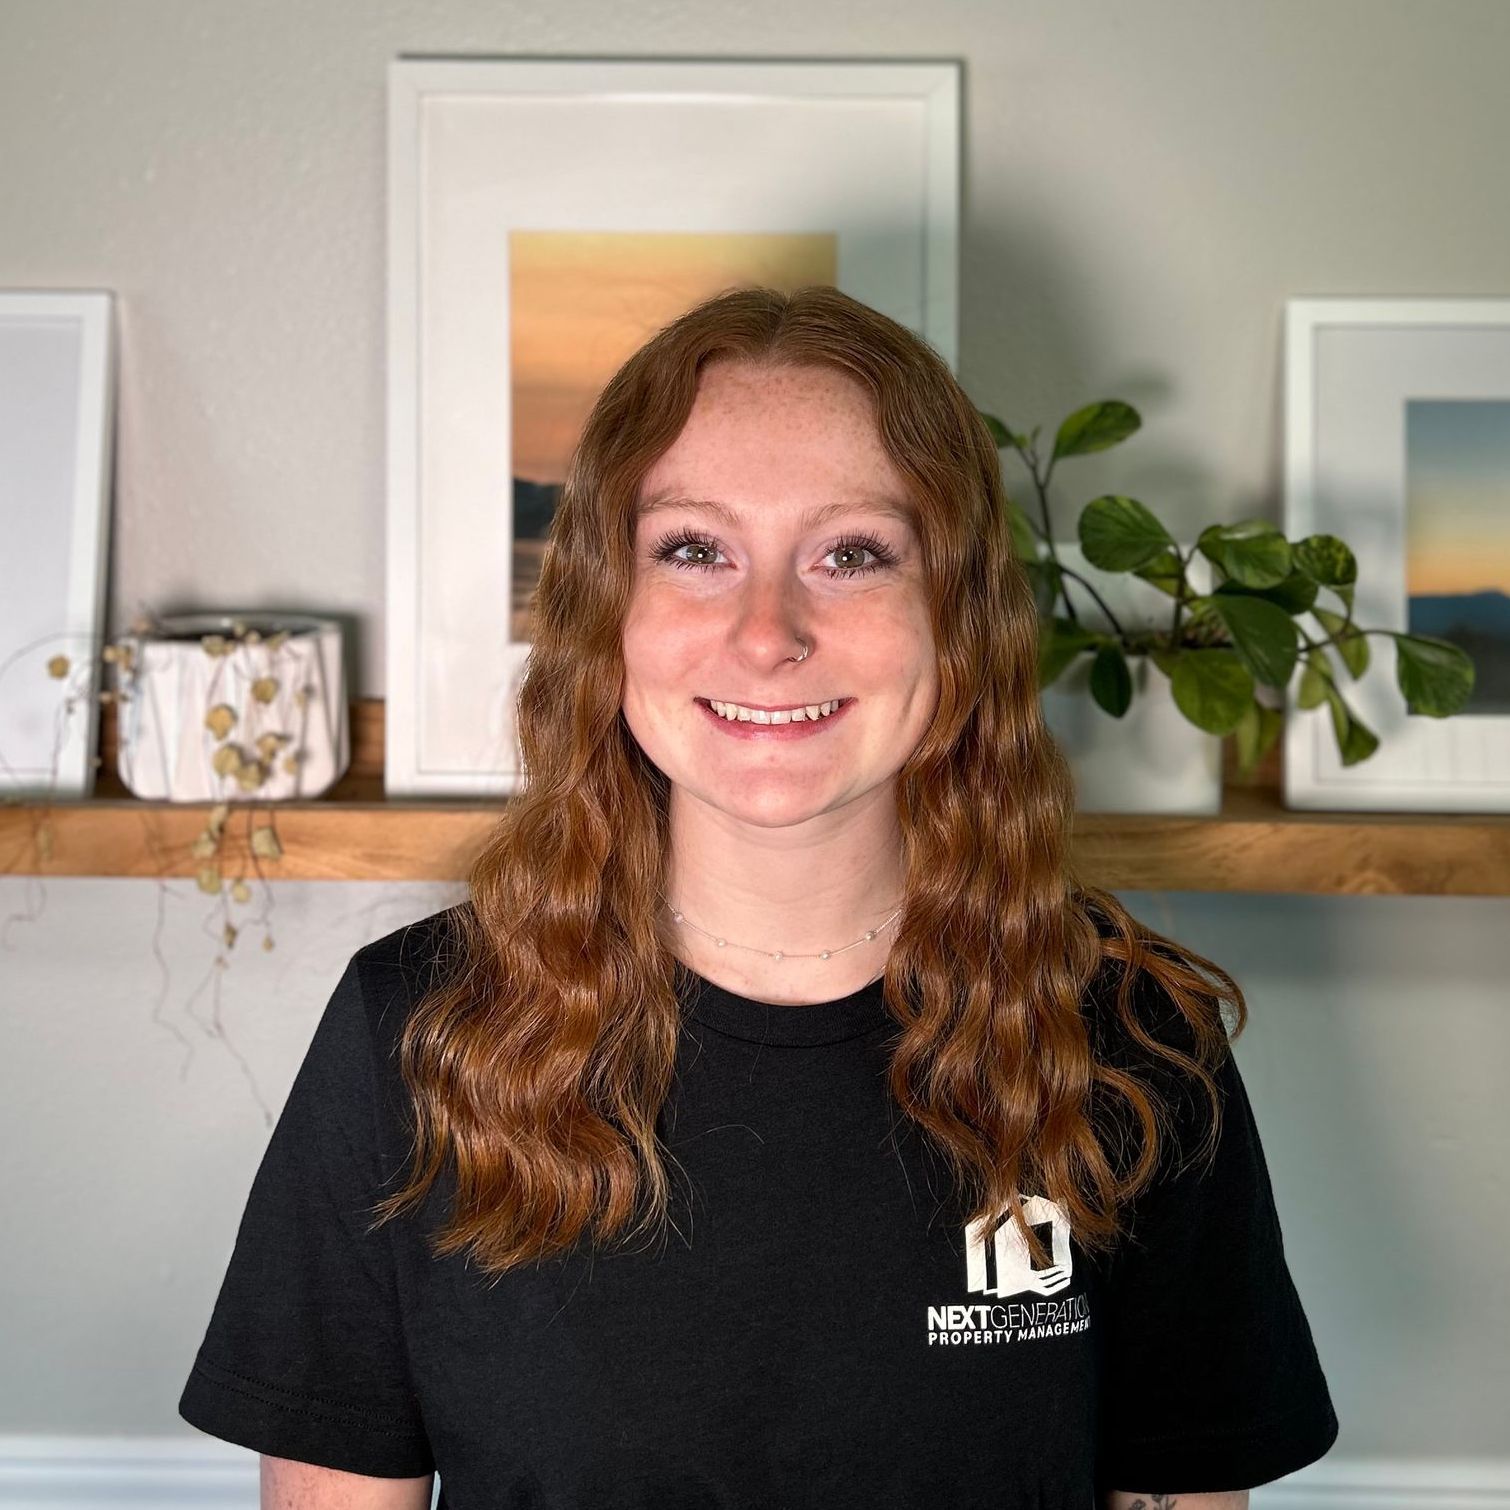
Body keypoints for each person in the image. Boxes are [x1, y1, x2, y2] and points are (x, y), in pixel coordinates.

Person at [178, 284, 1339, 1509]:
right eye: (694, 549)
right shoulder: (414, 1030)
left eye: (851, 553)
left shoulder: (1132, 1040)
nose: (768, 629)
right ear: (603, 607)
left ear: (958, 614)